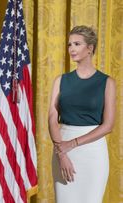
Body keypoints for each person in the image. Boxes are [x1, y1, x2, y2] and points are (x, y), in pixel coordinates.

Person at [48, 25, 116, 203]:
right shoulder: (61, 80)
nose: (71, 49)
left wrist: (73, 143)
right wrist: (61, 153)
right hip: (62, 148)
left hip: (93, 152)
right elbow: (52, 117)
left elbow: (108, 125)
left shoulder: (107, 82)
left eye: (77, 44)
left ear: (90, 48)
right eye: (69, 44)